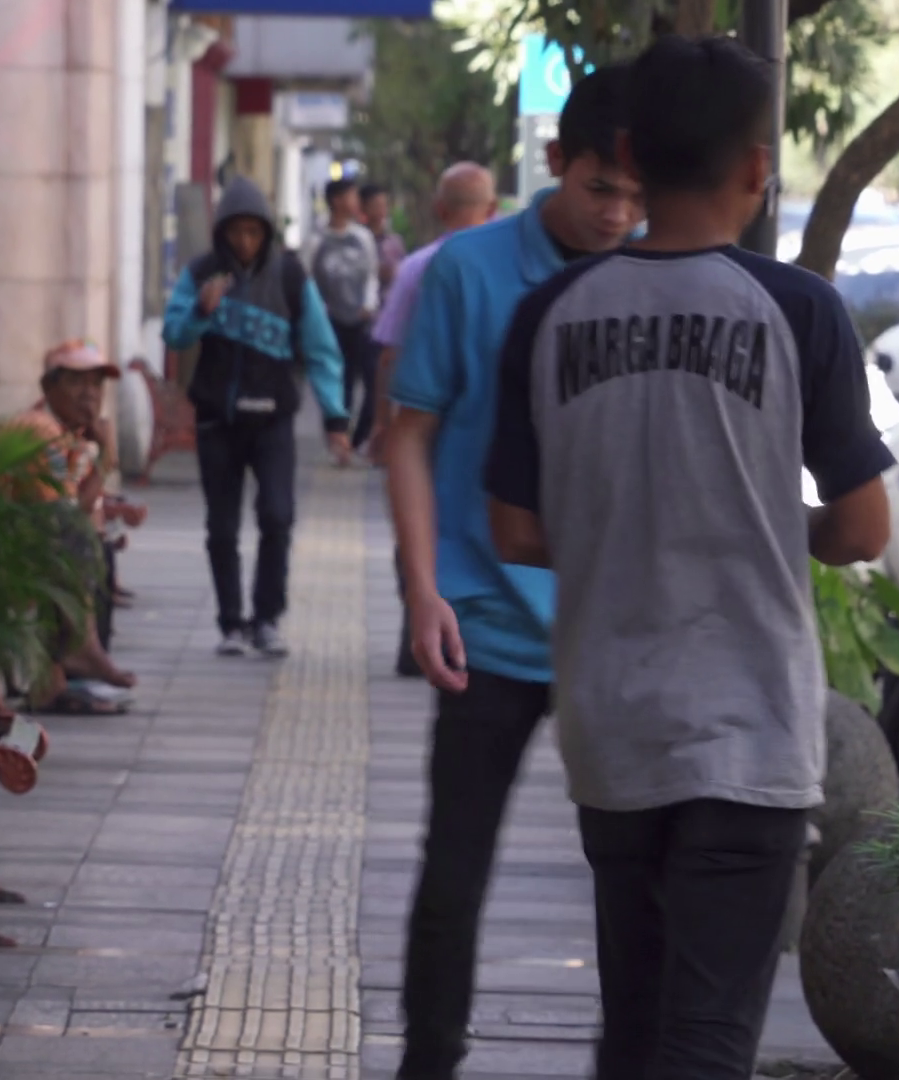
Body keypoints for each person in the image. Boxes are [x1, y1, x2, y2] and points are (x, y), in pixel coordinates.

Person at [482, 37, 892, 1079]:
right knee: (707, 1039)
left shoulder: (550, 312)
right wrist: (765, 521)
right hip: (749, 729)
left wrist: (628, 527)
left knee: (635, 1027)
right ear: (757, 167)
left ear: (628, 154)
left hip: (613, 726)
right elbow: (862, 530)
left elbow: (516, 532)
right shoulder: (799, 310)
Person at [384, 67, 644, 1080]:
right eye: (598, 189)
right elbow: (410, 434)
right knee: (454, 868)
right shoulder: (469, 269)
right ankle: (429, 1058)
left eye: (634, 195)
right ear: (554, 163)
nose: (616, 215)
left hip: (615, 634)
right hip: (485, 619)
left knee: (629, 883)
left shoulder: (657, 274)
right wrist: (422, 589)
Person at [163, 175, 352, 658]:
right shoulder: (202, 272)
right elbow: (174, 335)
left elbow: (321, 349)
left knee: (277, 515)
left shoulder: (290, 276)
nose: (244, 242)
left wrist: (335, 418)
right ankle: (231, 623)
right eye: (235, 231)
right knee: (222, 527)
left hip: (272, 420)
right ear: (222, 232)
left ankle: (267, 618)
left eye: (253, 231)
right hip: (217, 420)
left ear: (266, 232)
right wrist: (201, 311)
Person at [368, 162, 499, 679]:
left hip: (420, 422)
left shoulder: (417, 266)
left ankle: (416, 632)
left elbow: (390, 352)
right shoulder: (500, 268)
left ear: (440, 209)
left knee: (416, 522)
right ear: (492, 210)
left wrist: (383, 422)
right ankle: (465, 635)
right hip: (479, 427)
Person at [13, 341, 150, 713]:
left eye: (95, 383)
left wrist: (113, 504)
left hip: (33, 540)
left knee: (96, 539)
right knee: (79, 536)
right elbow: (67, 513)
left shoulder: (70, 433)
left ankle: (80, 667)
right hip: (10, 546)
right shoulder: (41, 431)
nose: (89, 393)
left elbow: (78, 500)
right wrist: (107, 459)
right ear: (48, 387)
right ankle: (81, 653)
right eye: (76, 382)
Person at [304, 178, 382, 451]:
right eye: (352, 195)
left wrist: (369, 303)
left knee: (372, 378)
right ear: (336, 200)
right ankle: (339, 434)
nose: (356, 201)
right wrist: (318, 311)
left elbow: (372, 274)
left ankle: (359, 436)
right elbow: (307, 279)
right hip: (329, 321)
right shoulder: (316, 240)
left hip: (361, 319)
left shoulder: (363, 238)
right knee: (339, 378)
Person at [362, 182, 408, 297]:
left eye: (384, 205)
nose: (382, 210)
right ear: (364, 207)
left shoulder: (395, 241)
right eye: (376, 205)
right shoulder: (359, 241)